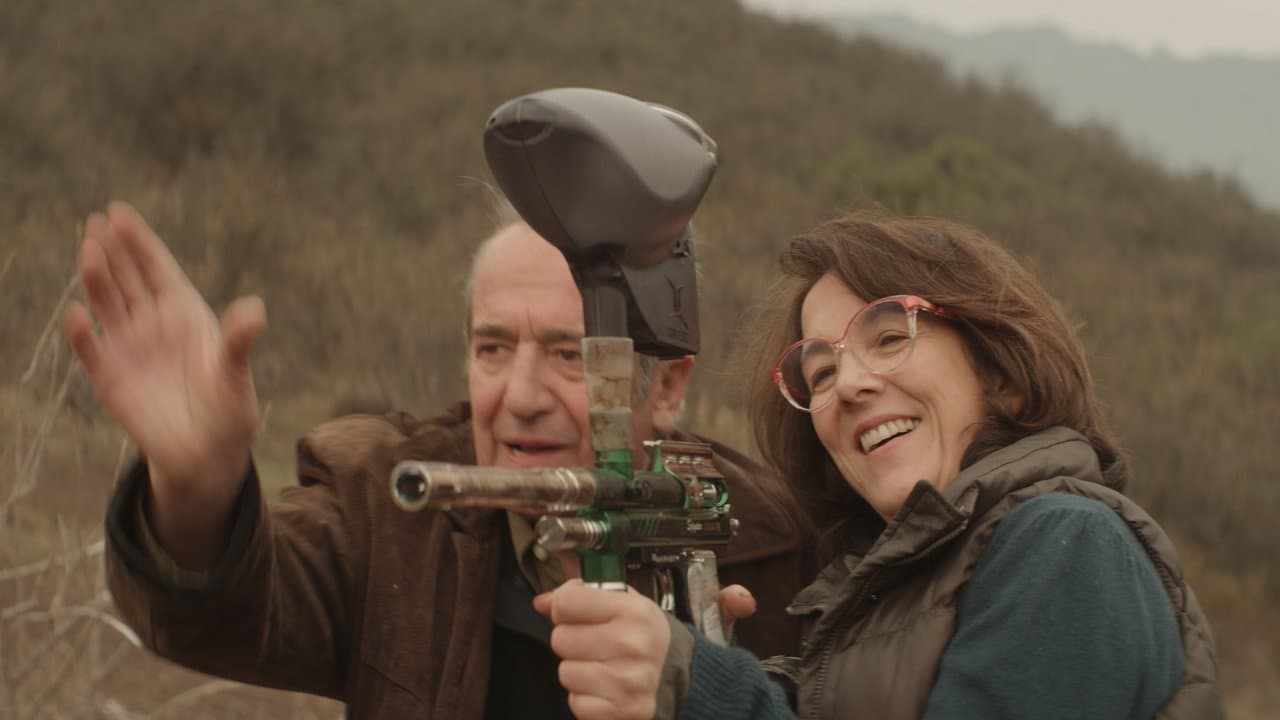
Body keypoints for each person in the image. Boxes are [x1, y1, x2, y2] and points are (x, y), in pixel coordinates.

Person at [66, 202, 811, 719]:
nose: (520, 397)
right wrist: (197, 488)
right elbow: (231, 612)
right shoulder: (392, 503)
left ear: (667, 386)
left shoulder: (774, 537)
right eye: (493, 348)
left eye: (569, 355)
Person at [537, 209, 1224, 720]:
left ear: (1001, 372)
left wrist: (705, 690)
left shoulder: (1067, 545)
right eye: (821, 371)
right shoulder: (889, 588)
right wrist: (705, 658)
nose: (850, 385)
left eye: (890, 336)